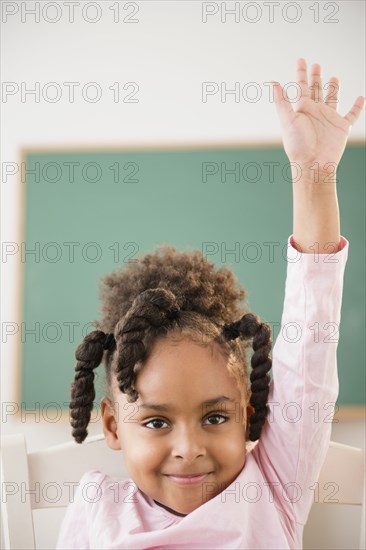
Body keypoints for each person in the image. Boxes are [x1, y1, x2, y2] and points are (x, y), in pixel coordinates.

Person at [56, 58, 364, 549]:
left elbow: (310, 348)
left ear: (248, 417)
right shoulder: (98, 509)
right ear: (113, 425)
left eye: (216, 418)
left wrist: (314, 174)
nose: (189, 449)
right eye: (156, 422)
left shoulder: (273, 490)